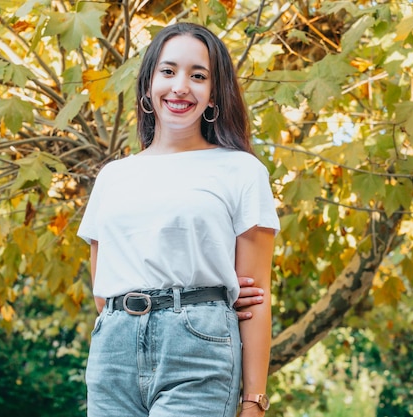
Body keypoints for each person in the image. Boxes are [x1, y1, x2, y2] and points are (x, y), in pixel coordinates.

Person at [77, 22, 279, 417]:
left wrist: (254, 400)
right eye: (168, 71)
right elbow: (102, 291)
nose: (181, 86)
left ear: (215, 93)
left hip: (198, 347)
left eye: (198, 76)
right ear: (149, 84)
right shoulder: (112, 176)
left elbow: (256, 296)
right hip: (112, 352)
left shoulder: (241, 170)